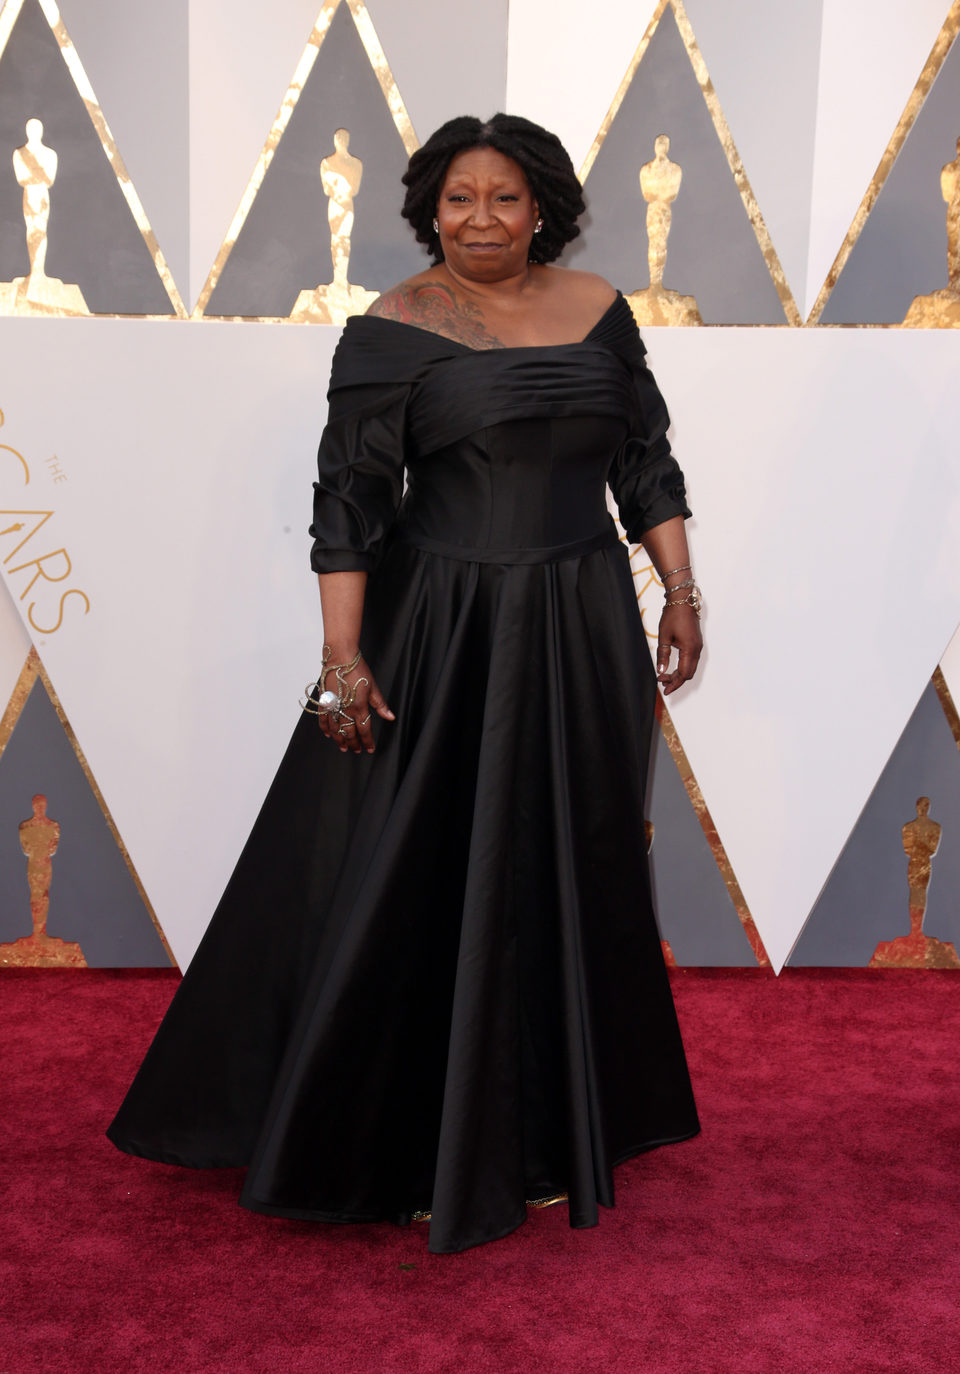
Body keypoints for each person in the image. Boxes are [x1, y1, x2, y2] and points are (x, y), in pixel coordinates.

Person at [108, 114, 703, 1254]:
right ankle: (411, 1136)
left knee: (569, 858)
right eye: (458, 199)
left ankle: (548, 1126)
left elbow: (647, 459)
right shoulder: (393, 328)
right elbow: (351, 504)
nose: (481, 219)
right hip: (450, 624)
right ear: (431, 208)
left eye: (506, 199)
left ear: (546, 211)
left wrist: (677, 592)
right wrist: (344, 659)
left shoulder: (600, 311)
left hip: (584, 626)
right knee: (433, 871)